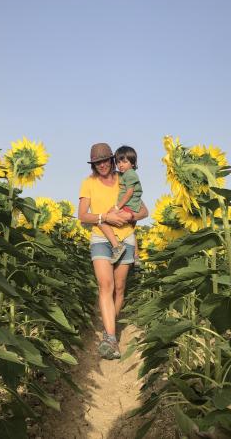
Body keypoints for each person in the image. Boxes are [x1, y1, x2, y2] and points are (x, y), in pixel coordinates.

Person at [78, 143, 148, 359]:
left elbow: (144, 210)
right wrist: (104, 217)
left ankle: (111, 328)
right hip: (100, 237)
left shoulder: (124, 178)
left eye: (105, 160)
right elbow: (82, 215)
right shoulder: (88, 183)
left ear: (111, 160)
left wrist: (129, 216)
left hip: (126, 238)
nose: (102, 165)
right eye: (97, 162)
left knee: (119, 288)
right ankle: (110, 337)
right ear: (93, 164)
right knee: (105, 285)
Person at [98, 146, 142, 264]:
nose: (121, 165)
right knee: (131, 230)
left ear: (133, 163)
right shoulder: (125, 174)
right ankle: (136, 256)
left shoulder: (130, 175)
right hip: (132, 206)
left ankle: (117, 247)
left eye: (124, 161)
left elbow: (129, 193)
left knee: (102, 220)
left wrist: (117, 207)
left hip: (129, 206)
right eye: (118, 162)